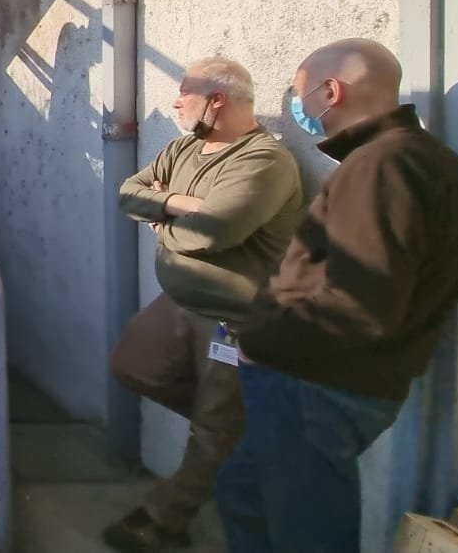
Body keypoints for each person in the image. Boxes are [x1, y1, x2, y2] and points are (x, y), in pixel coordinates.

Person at [216, 38, 458, 553]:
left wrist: (257, 342)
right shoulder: (416, 161)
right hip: (331, 383)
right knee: (244, 494)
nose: (298, 109)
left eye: (300, 94)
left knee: (307, 533)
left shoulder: (382, 167)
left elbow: (356, 303)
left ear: (330, 91)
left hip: (316, 386)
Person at [104, 57, 305, 553]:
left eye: (184, 92)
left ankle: (163, 522)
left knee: (214, 432)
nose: (174, 102)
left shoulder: (263, 161)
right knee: (132, 366)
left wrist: (164, 221)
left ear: (217, 99)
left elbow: (214, 232)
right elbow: (128, 193)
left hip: (233, 321)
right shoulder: (184, 148)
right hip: (178, 302)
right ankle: (230, 432)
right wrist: (178, 204)